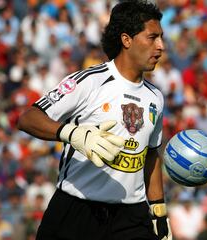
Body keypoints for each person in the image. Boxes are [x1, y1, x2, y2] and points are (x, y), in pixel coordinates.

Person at [17, 1, 172, 240]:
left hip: (132, 216)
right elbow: (28, 118)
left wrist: (159, 212)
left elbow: (151, 155)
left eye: (161, 37)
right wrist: (73, 134)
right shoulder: (89, 81)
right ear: (126, 40)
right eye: (152, 37)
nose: (160, 46)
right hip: (76, 211)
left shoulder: (156, 97)